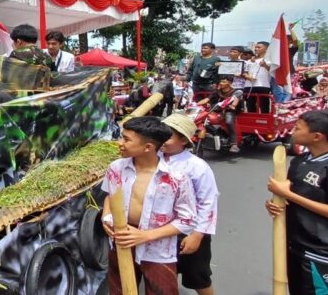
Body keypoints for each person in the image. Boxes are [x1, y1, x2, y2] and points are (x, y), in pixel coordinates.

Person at [101, 116, 195, 295]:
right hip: (121, 243)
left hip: (157, 250)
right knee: (120, 290)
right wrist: (106, 216)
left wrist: (145, 236)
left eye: (127, 139)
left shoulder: (176, 178)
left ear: (148, 147)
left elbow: (187, 220)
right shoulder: (116, 168)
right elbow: (110, 196)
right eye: (122, 137)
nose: (120, 143)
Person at [266, 110, 328, 295]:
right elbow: (287, 196)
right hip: (294, 246)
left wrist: (289, 195)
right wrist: (276, 202)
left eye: (297, 128)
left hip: (319, 253)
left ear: (317, 136)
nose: (291, 131)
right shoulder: (299, 161)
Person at [161, 114, 219, 295]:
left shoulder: (197, 167)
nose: (162, 141)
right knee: (162, 277)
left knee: (198, 277)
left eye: (168, 137)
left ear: (184, 141)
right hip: (160, 232)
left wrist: (197, 235)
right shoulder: (153, 158)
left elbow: (208, 201)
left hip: (188, 232)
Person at [198, 76, 244, 153]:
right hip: (216, 110)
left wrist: (233, 105)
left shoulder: (236, 92)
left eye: (224, 82)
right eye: (221, 82)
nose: (221, 83)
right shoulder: (217, 91)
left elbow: (235, 100)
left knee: (229, 121)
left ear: (230, 83)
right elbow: (207, 99)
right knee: (202, 118)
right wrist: (195, 104)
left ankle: (234, 144)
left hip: (229, 110)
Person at [244, 41, 272, 113]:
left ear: (266, 49)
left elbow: (273, 72)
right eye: (255, 47)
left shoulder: (270, 59)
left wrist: (265, 65)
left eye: (259, 47)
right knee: (250, 105)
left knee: (264, 105)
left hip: (263, 85)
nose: (256, 49)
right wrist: (248, 77)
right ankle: (252, 121)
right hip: (249, 85)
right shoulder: (249, 61)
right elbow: (245, 73)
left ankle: (264, 121)